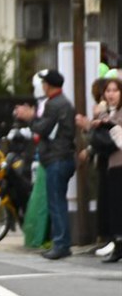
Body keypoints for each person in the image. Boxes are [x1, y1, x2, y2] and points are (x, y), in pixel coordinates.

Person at [14, 69, 75, 260]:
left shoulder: (55, 104)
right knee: (58, 202)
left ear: (47, 85)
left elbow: (43, 128)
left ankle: (61, 244)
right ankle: (61, 242)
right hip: (63, 158)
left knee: (56, 202)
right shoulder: (62, 102)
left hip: (57, 158)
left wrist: (29, 117)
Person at [77, 76, 122, 263]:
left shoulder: (115, 115)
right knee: (114, 206)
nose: (110, 94)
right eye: (108, 91)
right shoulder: (109, 113)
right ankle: (117, 244)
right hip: (112, 164)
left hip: (119, 163)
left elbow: (117, 139)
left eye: (114, 90)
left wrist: (102, 123)